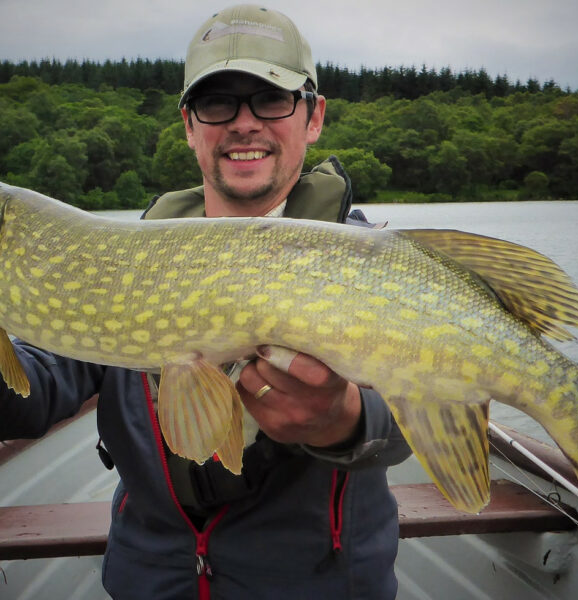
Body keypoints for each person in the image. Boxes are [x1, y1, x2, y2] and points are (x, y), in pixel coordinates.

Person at [0, 5, 411, 599]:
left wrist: (343, 419)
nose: (244, 124)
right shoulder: (124, 264)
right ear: (190, 124)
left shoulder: (373, 261)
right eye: (218, 103)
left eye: (271, 99)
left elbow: (428, 415)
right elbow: (27, 395)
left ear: (314, 116)